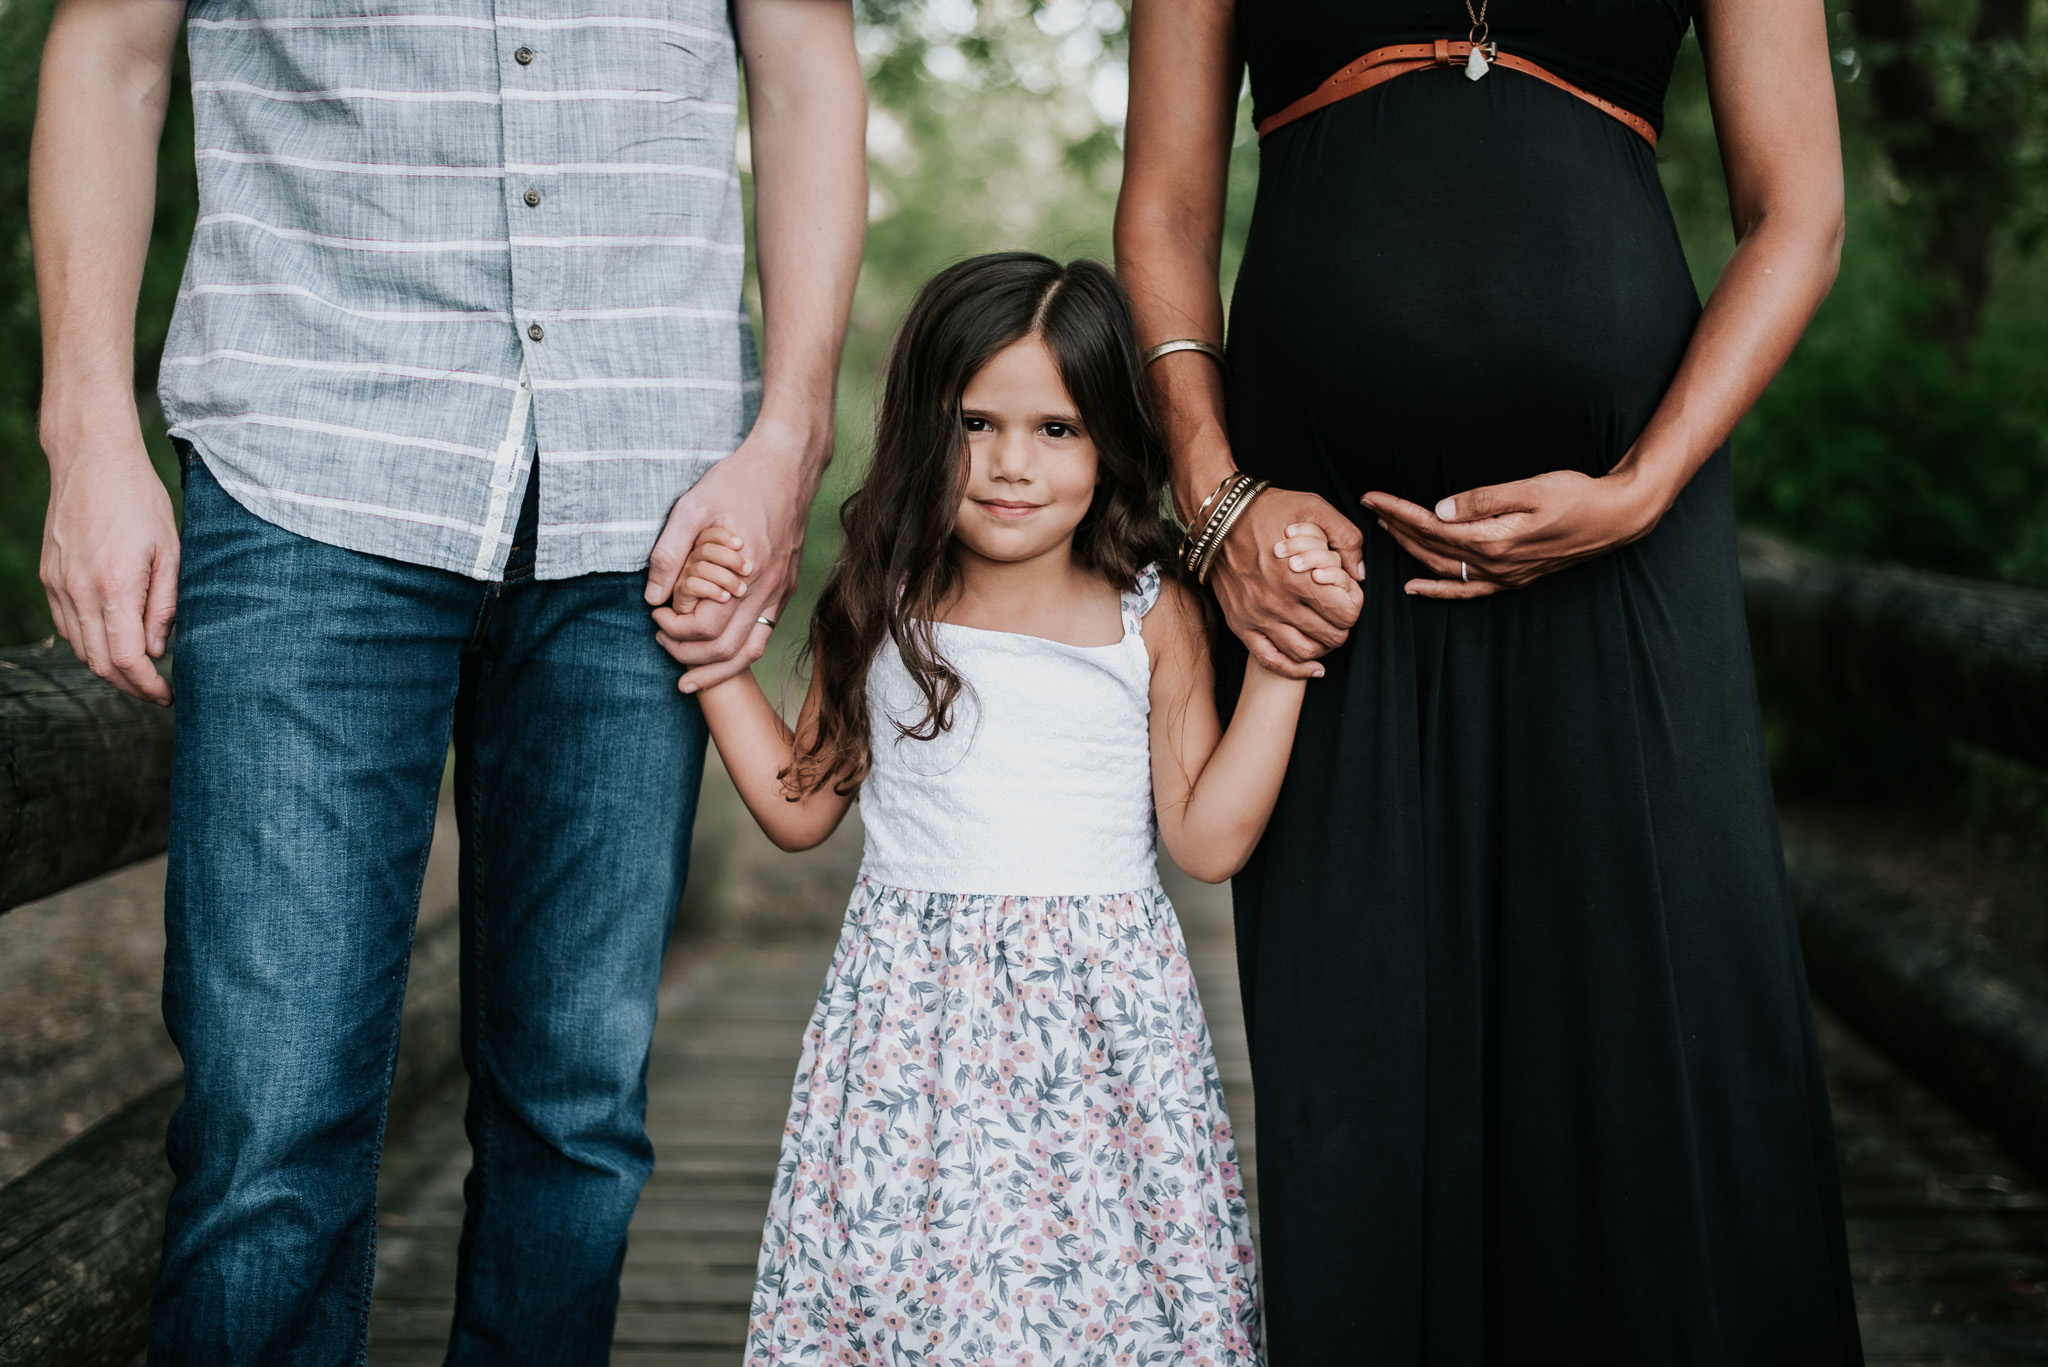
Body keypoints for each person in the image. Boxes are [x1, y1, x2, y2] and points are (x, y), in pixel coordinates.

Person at [30, 0, 864, 1358]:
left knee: (576, 1113)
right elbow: (111, 45)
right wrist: (88, 438)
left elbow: (808, 70)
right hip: (306, 453)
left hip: (645, 487)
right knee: (270, 1117)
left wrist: (789, 435)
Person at [1115, 0, 1863, 1362]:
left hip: (1634, 532)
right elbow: (1164, 211)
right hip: (1322, 555)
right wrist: (1215, 501)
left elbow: (1800, 208)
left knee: (1660, 1032)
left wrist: (1640, 489)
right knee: (1366, 1046)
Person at [676, 253, 1329, 1366]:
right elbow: (799, 807)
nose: (1008, 464)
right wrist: (713, 662)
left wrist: (1279, 661)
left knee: (1104, 1301)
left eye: (1055, 429)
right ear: (925, 429)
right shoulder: (883, 600)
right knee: (905, 1290)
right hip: (907, 1035)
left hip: (1101, 1034)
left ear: (1110, 440)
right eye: (974, 422)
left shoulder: (1150, 610)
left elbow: (1206, 837)